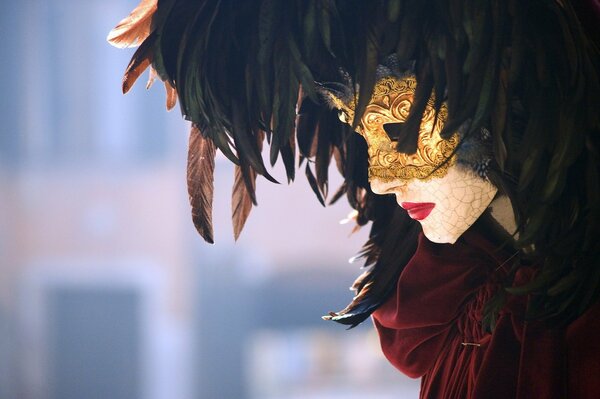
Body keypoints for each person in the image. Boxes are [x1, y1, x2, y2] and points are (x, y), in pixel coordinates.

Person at [109, 0, 600, 397]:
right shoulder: (455, 306)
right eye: (361, 132)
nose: (382, 181)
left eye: (395, 123)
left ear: (502, 77)